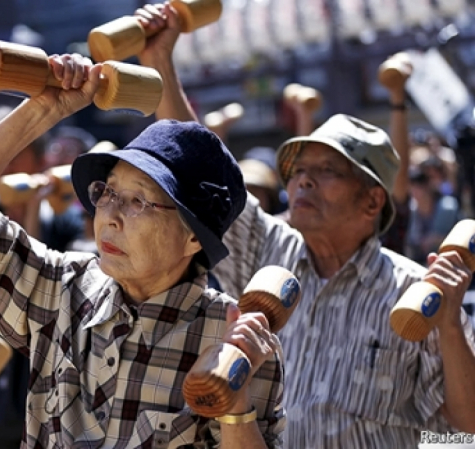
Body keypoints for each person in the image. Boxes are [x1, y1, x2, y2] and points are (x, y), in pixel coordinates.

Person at [136, 3, 475, 447]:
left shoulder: (416, 294)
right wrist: (159, 61)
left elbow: (466, 426)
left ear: (373, 200)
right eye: (297, 170)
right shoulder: (269, 255)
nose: (302, 181)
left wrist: (450, 326)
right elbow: (200, 165)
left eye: (328, 170)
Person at [0, 51, 286, 447]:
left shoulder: (234, 341)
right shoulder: (61, 289)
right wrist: (43, 111)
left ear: (193, 238)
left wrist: (234, 403)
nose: (109, 215)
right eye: (107, 192)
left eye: (138, 201)